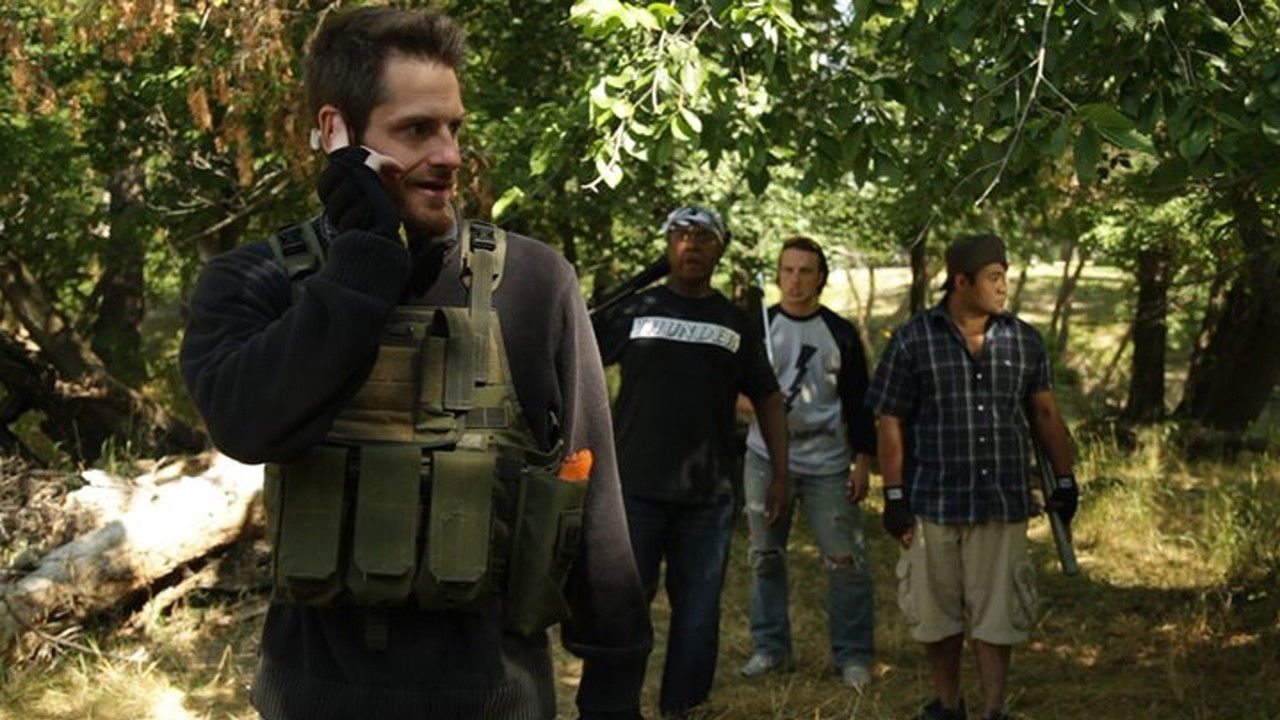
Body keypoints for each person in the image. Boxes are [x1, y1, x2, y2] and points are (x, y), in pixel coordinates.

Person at [179, 7, 650, 719]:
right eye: (417, 130)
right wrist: (364, 260)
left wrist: (613, 694)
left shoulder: (533, 283)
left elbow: (595, 501)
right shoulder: (257, 282)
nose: (450, 155)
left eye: (454, 128)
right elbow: (247, 426)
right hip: (315, 700)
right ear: (338, 133)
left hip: (494, 700)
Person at [864, 234, 1079, 720]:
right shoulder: (913, 338)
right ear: (961, 282)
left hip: (1001, 500)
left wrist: (1065, 481)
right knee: (936, 614)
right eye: (993, 278)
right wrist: (893, 496)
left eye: (1005, 276)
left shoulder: (1023, 340)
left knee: (998, 614)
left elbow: (1045, 413)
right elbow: (890, 420)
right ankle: (948, 705)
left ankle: (993, 709)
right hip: (932, 500)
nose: (1003, 287)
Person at [591, 206, 791, 718]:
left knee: (698, 616)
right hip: (633, 491)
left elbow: (768, 397)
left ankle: (684, 708)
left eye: (703, 237)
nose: (691, 245)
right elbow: (579, 358)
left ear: (719, 249)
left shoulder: (735, 322)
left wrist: (780, 475)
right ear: (668, 245)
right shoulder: (635, 309)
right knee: (621, 610)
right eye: (680, 235)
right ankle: (609, 709)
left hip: (707, 499)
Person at [738, 236, 877, 688]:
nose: (795, 280)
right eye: (788, 270)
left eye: (805, 271)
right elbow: (730, 392)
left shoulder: (839, 333)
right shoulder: (758, 328)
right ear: (778, 275)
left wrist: (862, 460)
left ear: (820, 278)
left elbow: (858, 402)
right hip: (765, 456)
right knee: (765, 556)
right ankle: (770, 649)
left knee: (845, 559)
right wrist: (764, 407)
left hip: (827, 462)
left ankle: (853, 655)